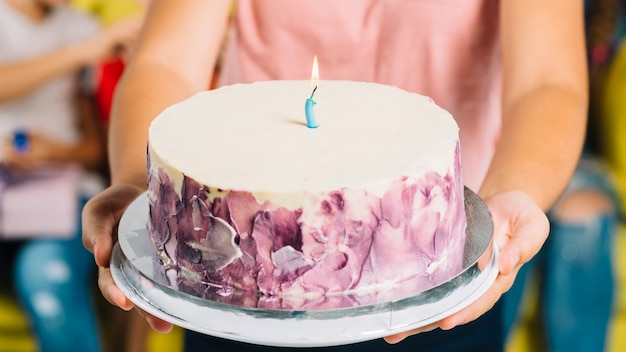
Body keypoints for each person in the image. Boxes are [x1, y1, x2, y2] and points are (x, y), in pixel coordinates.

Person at [82, 0, 588, 351]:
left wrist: (508, 200)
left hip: (439, 282)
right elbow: (166, 62)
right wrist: (138, 188)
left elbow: (547, 82)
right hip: (237, 284)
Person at [0, 0, 140, 351]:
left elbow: (95, 149)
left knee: (45, 272)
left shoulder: (81, 27)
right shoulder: (88, 40)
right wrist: (84, 51)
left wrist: (54, 152)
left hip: (61, 196)